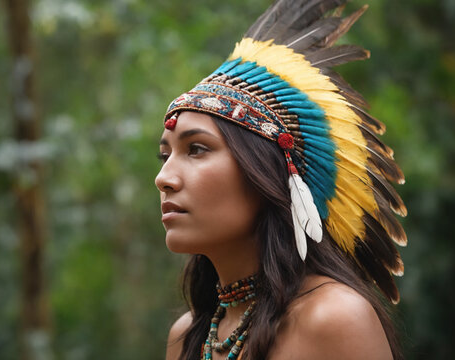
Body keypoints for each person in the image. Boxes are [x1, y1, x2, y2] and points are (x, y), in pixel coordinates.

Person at [156, 1, 407, 359]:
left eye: (196, 149)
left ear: (269, 171)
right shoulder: (187, 337)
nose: (164, 178)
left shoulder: (333, 318)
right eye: (164, 156)